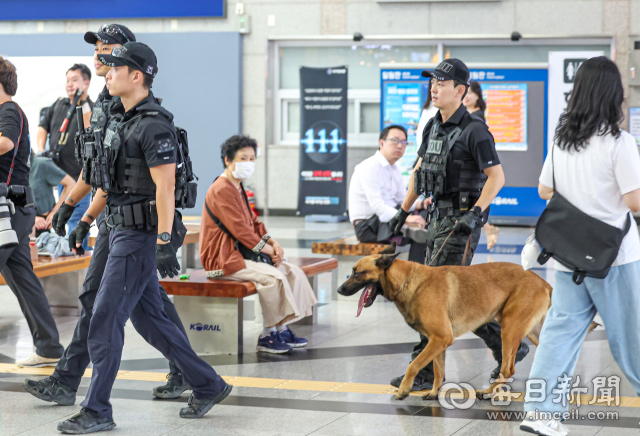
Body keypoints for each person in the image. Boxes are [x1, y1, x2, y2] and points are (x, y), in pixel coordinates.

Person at [53, 41, 232, 434]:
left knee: (104, 319)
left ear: (137, 76)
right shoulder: (121, 119)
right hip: (117, 230)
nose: (108, 72)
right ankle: (208, 384)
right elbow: (110, 181)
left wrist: (165, 240)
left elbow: (164, 189)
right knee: (152, 321)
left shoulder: (153, 125)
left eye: (116, 67)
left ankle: (98, 409)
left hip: (138, 236)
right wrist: (84, 218)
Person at [23, 25, 194, 412]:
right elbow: (97, 169)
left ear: (131, 61)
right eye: (98, 48)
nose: (101, 55)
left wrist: (164, 238)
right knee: (142, 305)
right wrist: (74, 210)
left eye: (109, 49)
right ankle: (190, 373)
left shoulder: (131, 107)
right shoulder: (104, 101)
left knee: (108, 307)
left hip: (136, 224)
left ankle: (79, 391)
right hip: (115, 221)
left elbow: (151, 181)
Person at [387, 59, 529, 392]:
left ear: (461, 91)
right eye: (432, 83)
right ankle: (507, 345)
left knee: (430, 296)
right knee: (451, 298)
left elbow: (497, 177)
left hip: (461, 223)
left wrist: (476, 212)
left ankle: (420, 371)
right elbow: (419, 172)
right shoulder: (432, 126)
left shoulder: (475, 130)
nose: (433, 88)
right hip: (437, 218)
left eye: (442, 83)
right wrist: (402, 211)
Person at [519, 57, 640, 436]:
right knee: (630, 338)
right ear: (613, 95)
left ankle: (540, 415)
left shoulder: (561, 141)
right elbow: (634, 201)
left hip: (569, 253)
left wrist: (581, 202)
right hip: (614, 257)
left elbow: (544, 190)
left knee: (559, 335)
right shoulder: (620, 143)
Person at [200, 135, 317, 354]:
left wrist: (273, 242)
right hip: (223, 259)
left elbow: (253, 222)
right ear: (228, 160)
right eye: (243, 158)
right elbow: (241, 231)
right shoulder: (222, 188)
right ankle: (267, 334)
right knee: (273, 277)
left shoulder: (237, 186)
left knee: (292, 271)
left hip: (242, 255)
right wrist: (271, 251)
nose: (249, 163)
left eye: (252, 158)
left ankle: (282, 328)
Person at [0, 57, 65, 367]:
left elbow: (6, 143)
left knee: (23, 279)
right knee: (24, 280)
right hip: (16, 210)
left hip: (8, 211)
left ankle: (49, 346)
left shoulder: (8, 110)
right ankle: (49, 347)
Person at [348, 124, 427, 263]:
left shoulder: (395, 168)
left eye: (403, 142)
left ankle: (416, 275)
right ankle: (414, 278)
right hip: (369, 226)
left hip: (387, 221)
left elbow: (402, 200)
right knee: (421, 236)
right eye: (395, 140)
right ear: (381, 143)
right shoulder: (368, 167)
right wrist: (407, 219)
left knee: (428, 216)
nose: (400, 146)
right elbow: (378, 207)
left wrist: (421, 204)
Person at [37, 63, 94, 250]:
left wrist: (82, 99)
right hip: (58, 174)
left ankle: (76, 256)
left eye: (75, 80)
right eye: (68, 80)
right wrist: (41, 149)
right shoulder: (58, 104)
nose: (70, 84)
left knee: (76, 219)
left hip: (78, 176)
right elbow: (43, 128)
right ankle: (64, 252)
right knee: (58, 217)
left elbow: (89, 130)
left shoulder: (89, 108)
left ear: (86, 83)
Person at [463, 81, 500, 249]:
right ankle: (489, 229)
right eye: (465, 92)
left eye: (470, 93)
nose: (467, 96)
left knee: (475, 203)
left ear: (477, 96)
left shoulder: (476, 117)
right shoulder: (468, 114)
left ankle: (489, 229)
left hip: (475, 167)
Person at [29, 155, 76, 237]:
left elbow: (71, 184)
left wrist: (55, 211)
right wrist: (32, 218)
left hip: (42, 225)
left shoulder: (41, 164)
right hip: (20, 221)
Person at [416, 86, 439, 150]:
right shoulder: (428, 108)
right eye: (433, 83)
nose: (433, 90)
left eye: (440, 84)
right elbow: (421, 131)